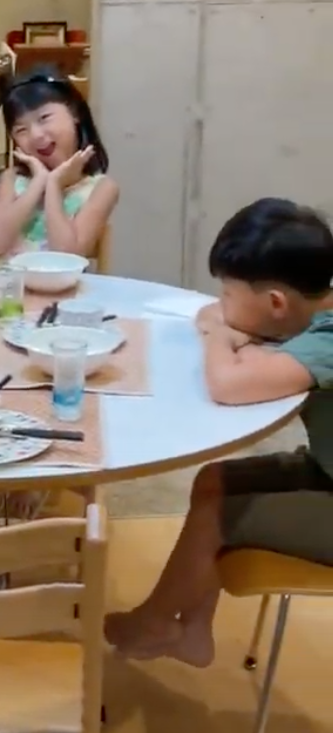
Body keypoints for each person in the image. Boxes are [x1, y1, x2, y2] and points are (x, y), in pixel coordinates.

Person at [105, 198, 333, 667]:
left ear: (276, 303)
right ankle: (192, 632)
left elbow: (228, 385)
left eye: (229, 293)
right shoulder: (310, 312)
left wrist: (220, 336)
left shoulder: (327, 341)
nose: (221, 303)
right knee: (214, 480)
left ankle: (154, 623)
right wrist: (230, 334)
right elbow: (232, 339)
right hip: (324, 468)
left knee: (218, 512)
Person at [0, 71, 119, 257]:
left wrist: (54, 186)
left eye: (44, 118)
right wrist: (38, 182)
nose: (36, 135)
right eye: (21, 130)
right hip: (6, 276)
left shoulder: (102, 188)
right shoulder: (12, 178)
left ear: (74, 113)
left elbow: (69, 256)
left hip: (63, 277)